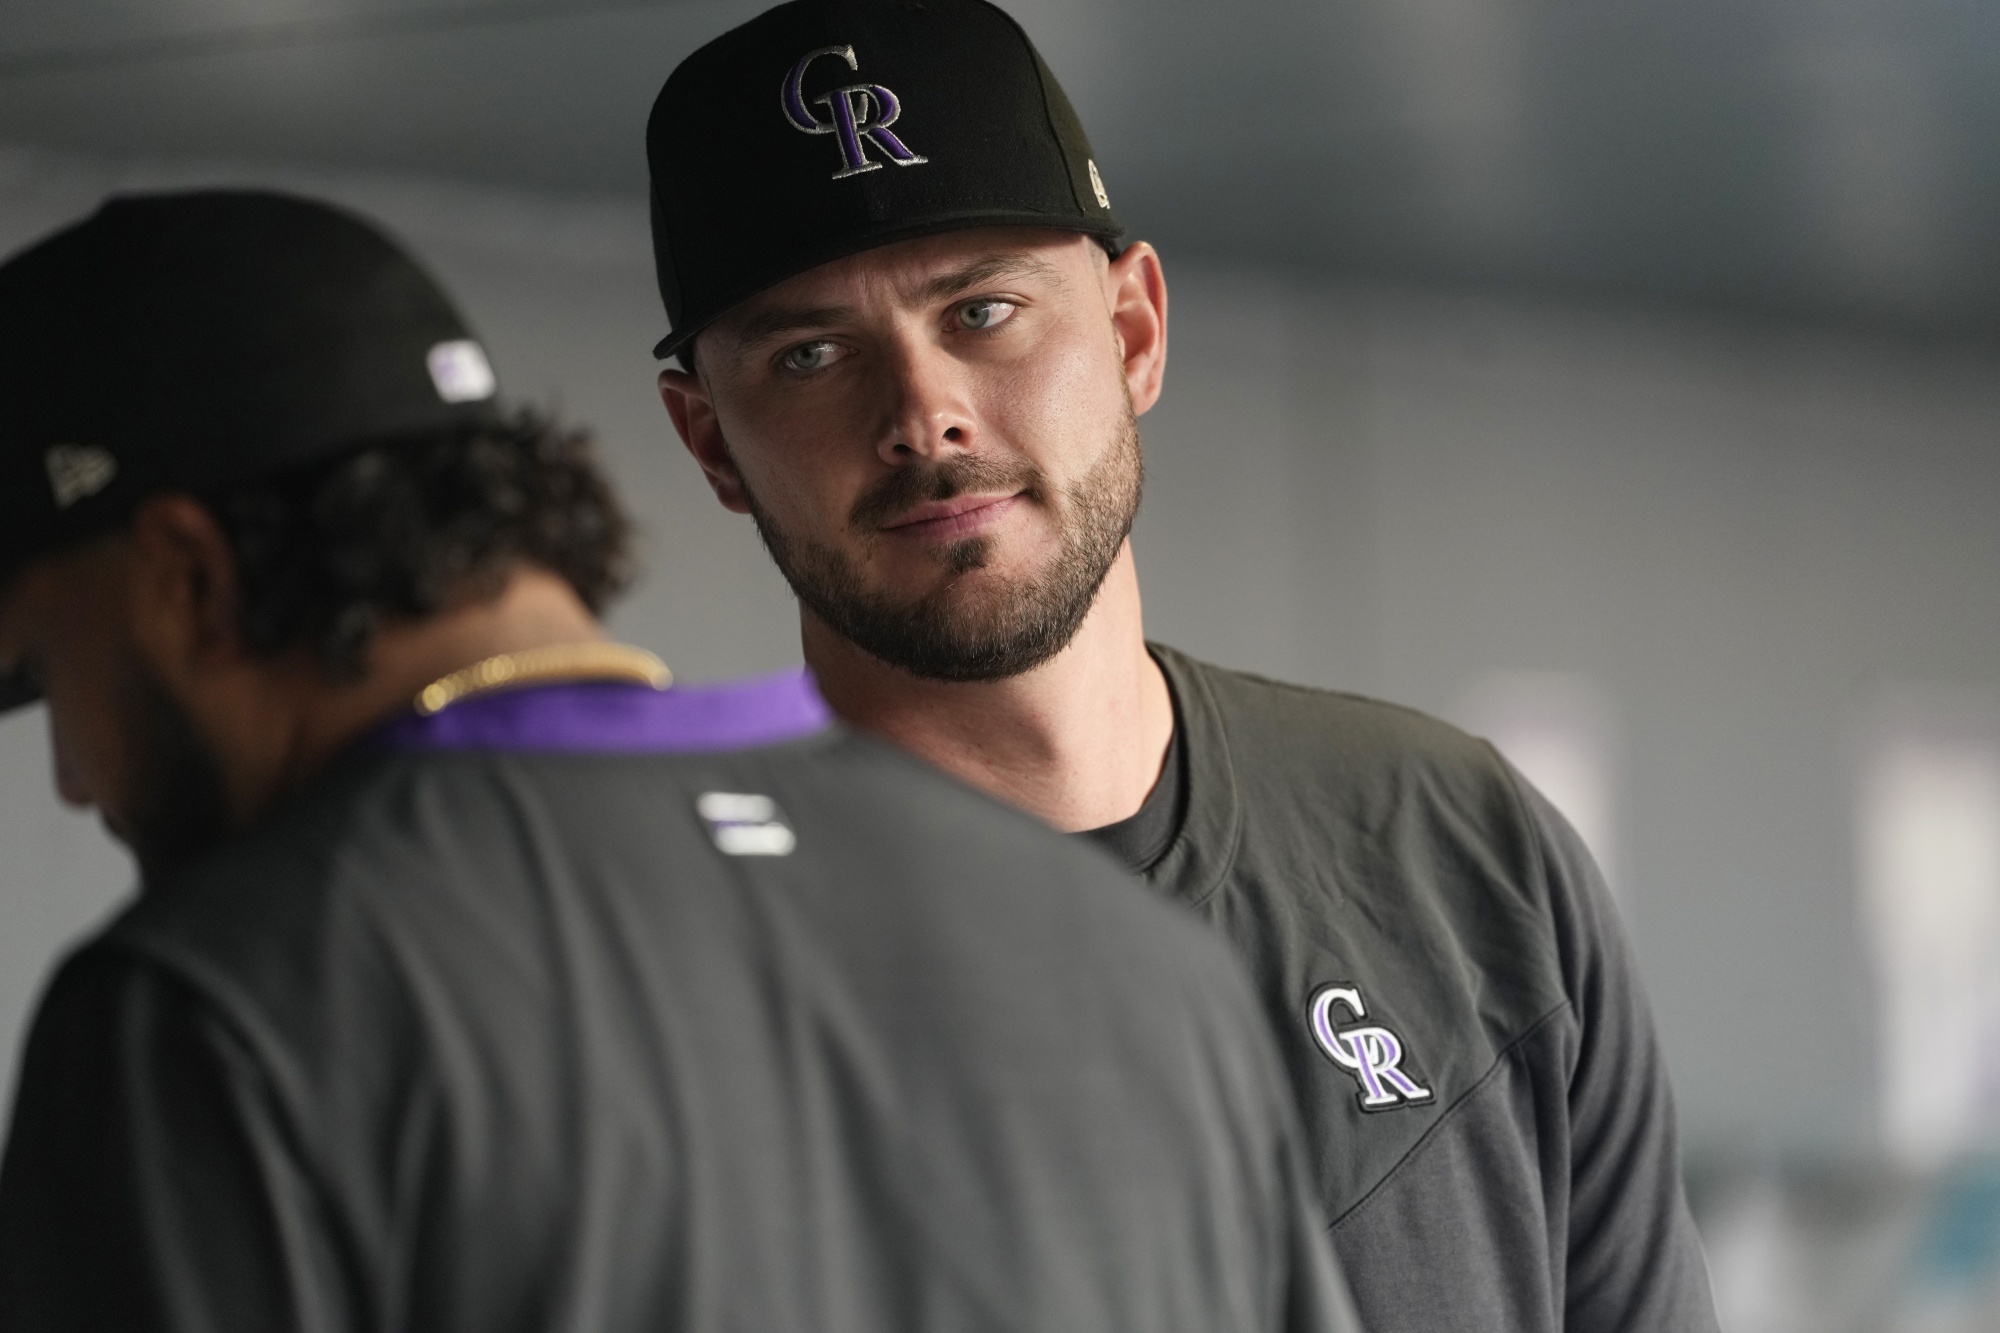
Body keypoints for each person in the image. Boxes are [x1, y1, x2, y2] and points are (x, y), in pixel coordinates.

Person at [0, 189, 1359, 1333]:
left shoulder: (221, 1004)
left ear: (184, 580)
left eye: (51, 671)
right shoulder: (1124, 954)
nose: (71, 775)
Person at [646, 2, 1721, 1330]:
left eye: (984, 310)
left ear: (1134, 330)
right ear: (710, 440)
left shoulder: (1462, 849)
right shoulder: (654, 984)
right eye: (810, 355)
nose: (923, 414)